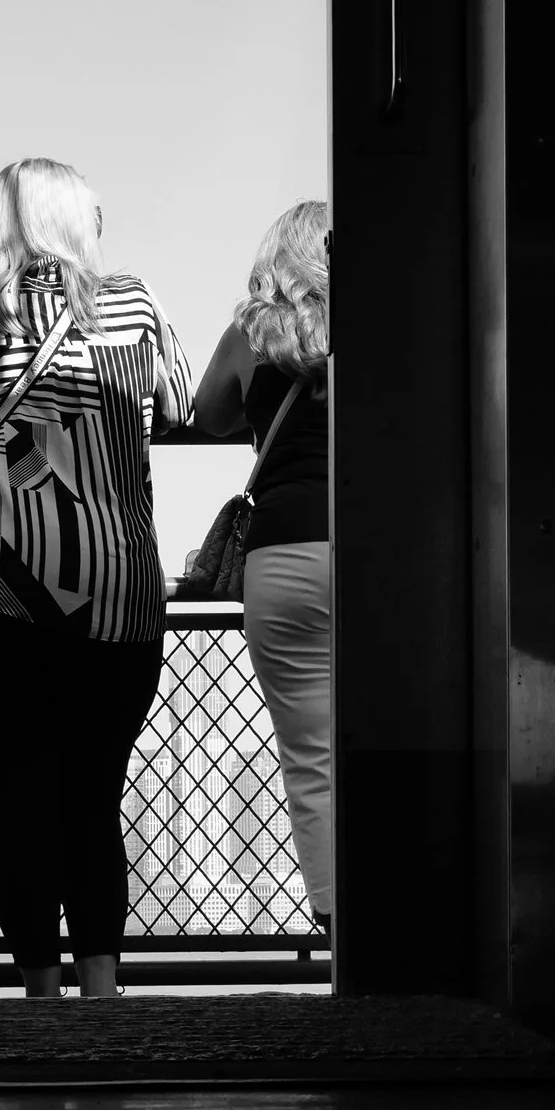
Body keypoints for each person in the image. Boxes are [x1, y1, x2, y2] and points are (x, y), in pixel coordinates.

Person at [0, 157, 195, 1000]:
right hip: (116, 588)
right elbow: (177, 401)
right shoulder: (132, 304)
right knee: (95, 794)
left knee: (16, 790)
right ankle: (103, 991)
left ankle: (39, 994)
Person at [191, 198, 332, 932]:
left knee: (314, 758)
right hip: (386, 551)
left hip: (284, 556)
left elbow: (205, 412)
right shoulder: (384, 316)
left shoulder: (255, 330)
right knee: (398, 741)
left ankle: (344, 930)